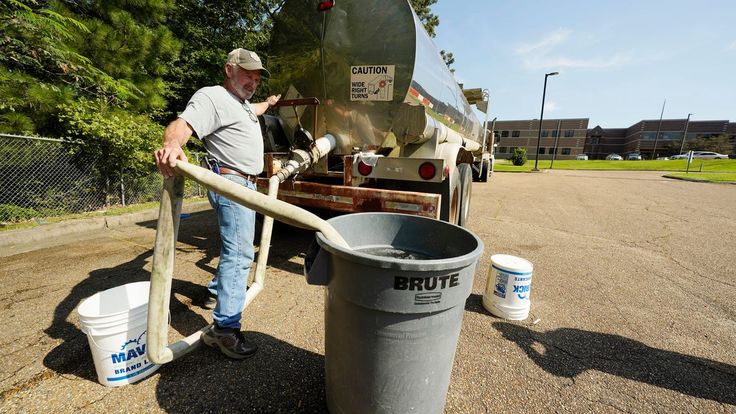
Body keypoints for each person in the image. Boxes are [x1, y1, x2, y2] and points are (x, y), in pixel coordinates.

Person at [154, 48, 281, 359]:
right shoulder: (213, 97)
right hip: (231, 183)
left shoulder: (245, 105)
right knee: (239, 255)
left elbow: (258, 108)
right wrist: (171, 144)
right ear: (229, 69)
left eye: (257, 77)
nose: (253, 81)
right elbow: (182, 125)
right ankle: (224, 330)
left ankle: (216, 294)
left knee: (237, 249)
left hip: (246, 185)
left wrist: (271, 103)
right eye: (247, 74)